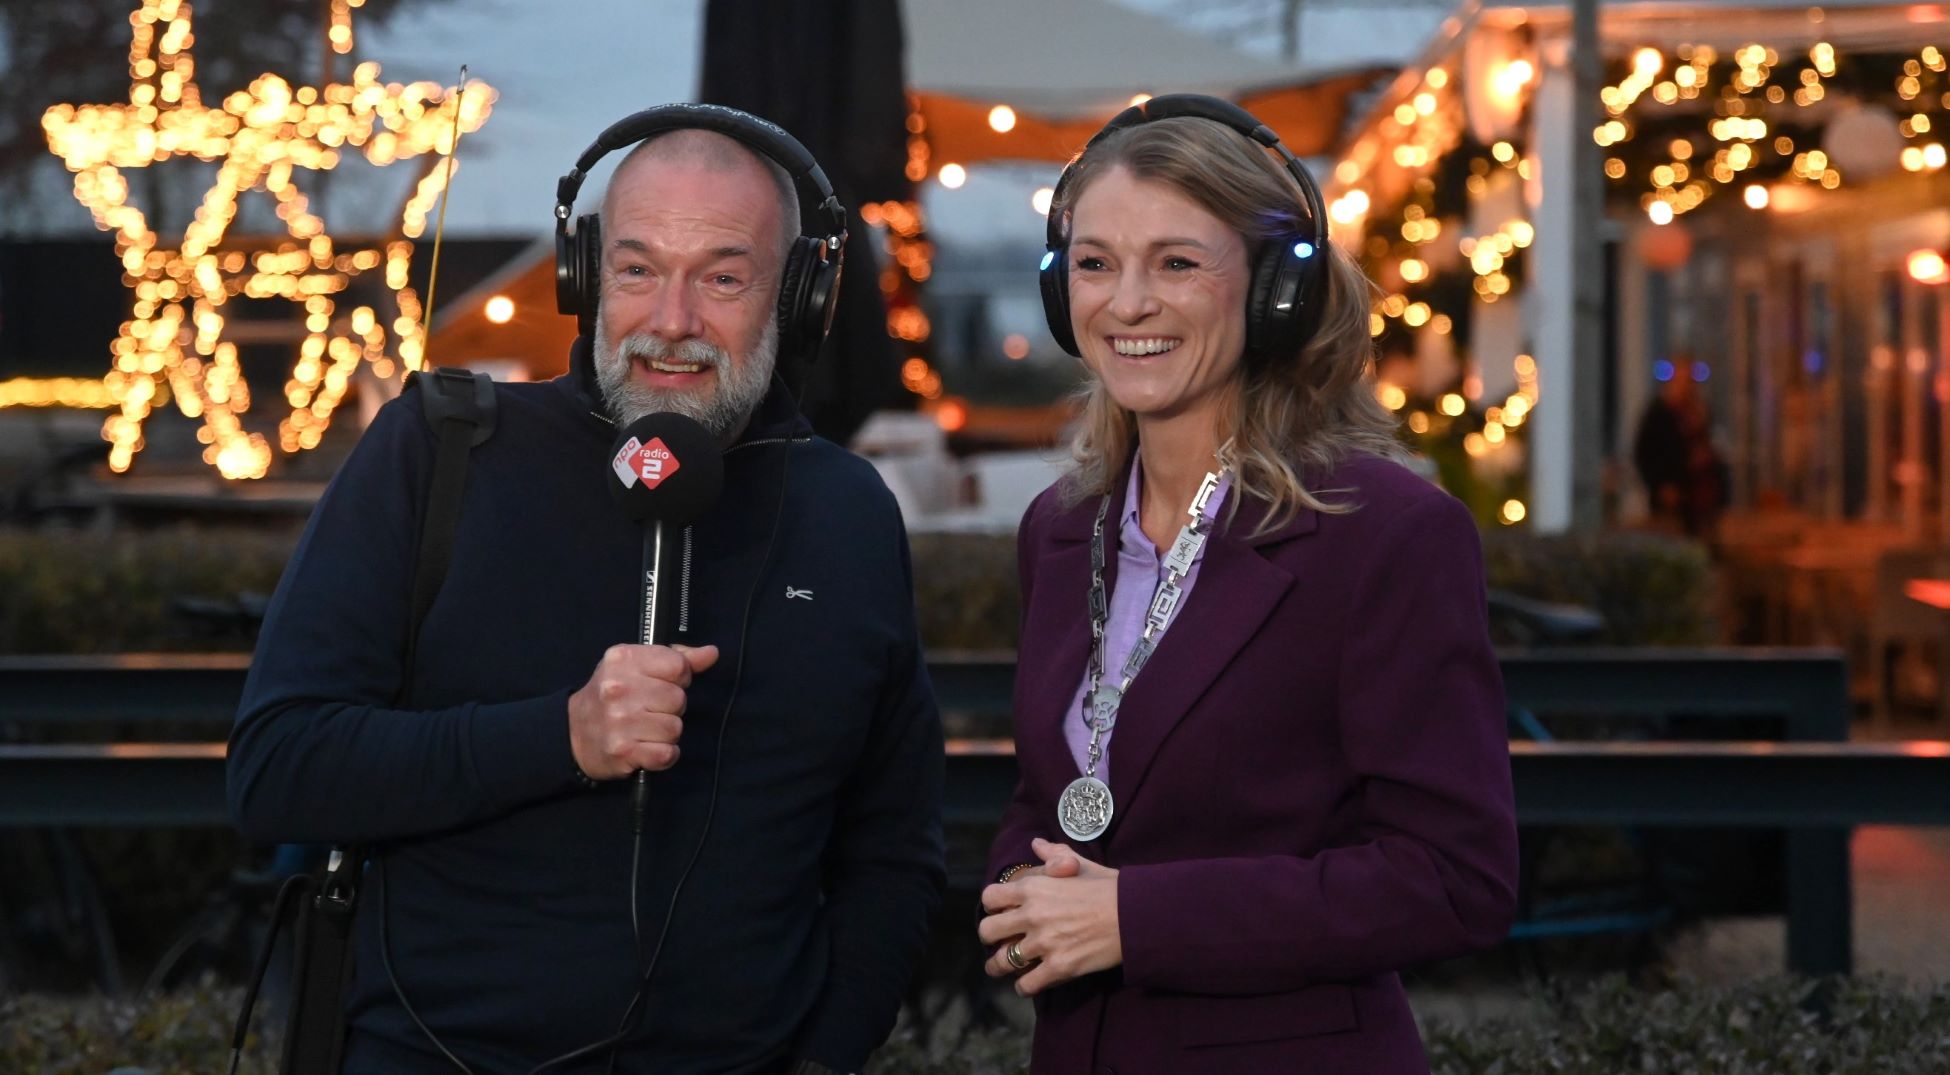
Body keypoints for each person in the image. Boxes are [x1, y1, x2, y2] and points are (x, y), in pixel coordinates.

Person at [229, 106, 945, 1075]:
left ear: (802, 297)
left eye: (724, 278)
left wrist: (825, 1057)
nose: (673, 321)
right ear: (583, 273)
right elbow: (279, 768)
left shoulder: (847, 510)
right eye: (638, 268)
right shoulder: (440, 451)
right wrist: (559, 735)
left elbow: (892, 849)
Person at [978, 96, 1517, 1073]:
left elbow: (1453, 877)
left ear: (1277, 291)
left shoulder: (1388, 534)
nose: (1126, 302)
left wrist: (1137, 919)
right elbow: (1059, 786)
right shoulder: (1059, 531)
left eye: (1177, 263)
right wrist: (1023, 891)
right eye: (1095, 264)